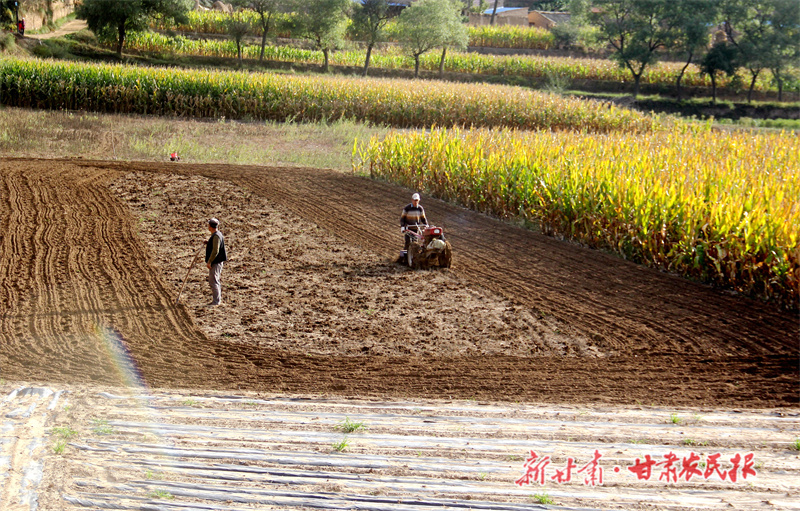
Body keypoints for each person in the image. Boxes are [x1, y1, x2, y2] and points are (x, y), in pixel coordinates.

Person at [204, 218, 227, 306]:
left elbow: (215, 251)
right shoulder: (216, 234)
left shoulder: (216, 236)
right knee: (214, 280)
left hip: (216, 262)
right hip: (216, 262)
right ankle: (216, 300)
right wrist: (208, 242)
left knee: (213, 281)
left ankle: (216, 302)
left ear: (210, 226)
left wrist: (209, 261)